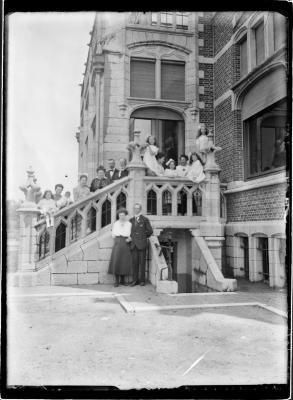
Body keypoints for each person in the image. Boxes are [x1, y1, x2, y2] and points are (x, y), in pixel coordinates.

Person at [129, 203, 153, 286]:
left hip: (142, 245)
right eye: (135, 208)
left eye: (137, 208)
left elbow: (150, 231)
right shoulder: (131, 220)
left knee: (142, 263)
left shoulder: (145, 219)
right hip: (133, 245)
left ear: (140, 209)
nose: (136, 209)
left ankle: (142, 281)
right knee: (134, 264)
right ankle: (134, 280)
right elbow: (129, 232)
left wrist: (142, 237)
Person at [108, 208, 132, 287]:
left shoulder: (129, 224)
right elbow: (113, 234)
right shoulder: (116, 223)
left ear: (125, 215)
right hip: (118, 242)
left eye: (123, 215)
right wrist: (116, 240)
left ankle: (123, 280)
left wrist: (129, 238)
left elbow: (131, 234)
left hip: (126, 243)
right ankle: (117, 281)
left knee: (124, 261)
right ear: (118, 216)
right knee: (117, 261)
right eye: (120, 215)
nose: (121, 216)